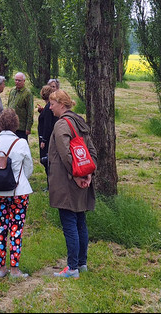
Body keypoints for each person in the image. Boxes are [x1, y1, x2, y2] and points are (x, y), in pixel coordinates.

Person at [46, 89, 94, 278]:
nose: (50, 108)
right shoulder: (79, 121)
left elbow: (65, 153)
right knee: (80, 221)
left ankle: (72, 268)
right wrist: (88, 172)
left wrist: (75, 175)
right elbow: (90, 150)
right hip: (82, 178)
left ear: (62, 105)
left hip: (67, 182)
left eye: (52, 104)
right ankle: (82, 263)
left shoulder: (61, 125)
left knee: (70, 224)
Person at [0, 108, 34, 278]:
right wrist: (20, 179)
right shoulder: (22, 143)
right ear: (16, 124)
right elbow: (29, 168)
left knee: (0, 227)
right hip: (19, 192)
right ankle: (14, 268)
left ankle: (1, 267)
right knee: (16, 229)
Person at [36, 81, 59, 172]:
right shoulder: (48, 107)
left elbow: (47, 125)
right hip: (47, 137)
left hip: (47, 138)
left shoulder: (48, 108)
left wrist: (43, 140)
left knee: (46, 160)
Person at [7, 72, 34, 140]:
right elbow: (8, 105)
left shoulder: (27, 93)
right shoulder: (12, 91)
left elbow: (30, 111)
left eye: (19, 80)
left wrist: (28, 127)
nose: (17, 82)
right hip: (11, 125)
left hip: (21, 127)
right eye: (16, 80)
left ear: (24, 81)